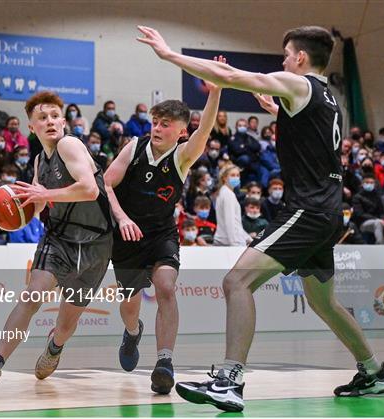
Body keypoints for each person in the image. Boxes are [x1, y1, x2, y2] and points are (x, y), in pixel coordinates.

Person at [136, 25, 384, 411]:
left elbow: (229, 76)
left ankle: (229, 380)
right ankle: (375, 372)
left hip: (307, 210)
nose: (283, 62)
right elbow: (316, 142)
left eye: (286, 56)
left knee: (237, 281)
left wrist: (170, 56)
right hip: (326, 212)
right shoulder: (328, 98)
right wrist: (280, 113)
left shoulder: (300, 85)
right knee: (323, 302)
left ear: (301, 59)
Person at [0, 90, 113, 398]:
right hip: (58, 238)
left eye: (55, 116)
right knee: (32, 296)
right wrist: (11, 211)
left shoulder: (70, 145)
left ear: (63, 121)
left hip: (95, 243)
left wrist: (45, 195)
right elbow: (40, 206)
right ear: (31, 127)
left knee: (65, 321)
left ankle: (55, 346)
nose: (50, 122)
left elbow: (89, 189)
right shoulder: (37, 161)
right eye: (42, 118)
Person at [103, 75, 222, 395]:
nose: (157, 128)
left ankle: (165, 363)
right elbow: (106, 183)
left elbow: (206, 128)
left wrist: (217, 91)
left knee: (166, 287)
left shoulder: (183, 156)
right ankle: (132, 332)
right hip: (127, 236)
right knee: (129, 305)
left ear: (181, 131)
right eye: (155, 122)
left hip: (161, 234)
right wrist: (122, 217)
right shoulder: (134, 147)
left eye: (165, 124)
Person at [213, 164, 251, 246]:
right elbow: (229, 221)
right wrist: (234, 243)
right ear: (224, 178)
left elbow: (235, 222)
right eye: (232, 175)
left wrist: (247, 237)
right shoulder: (227, 194)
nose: (236, 177)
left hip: (227, 240)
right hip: (227, 242)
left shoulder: (226, 192)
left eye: (238, 175)